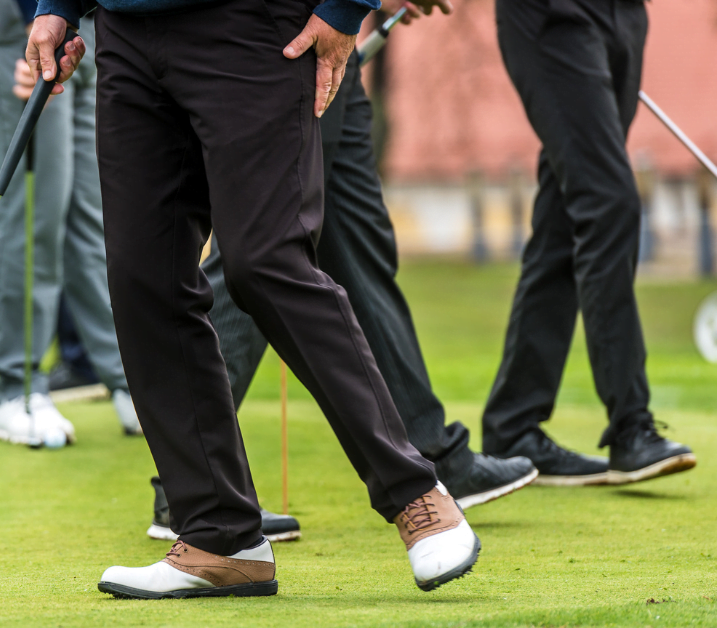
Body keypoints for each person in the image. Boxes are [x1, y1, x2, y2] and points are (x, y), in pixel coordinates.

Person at [30, 0, 475, 598]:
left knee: (265, 260)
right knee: (143, 279)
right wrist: (54, 7)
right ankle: (220, 535)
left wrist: (345, 7)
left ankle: (417, 493)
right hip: (127, 34)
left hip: (252, 24)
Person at [479, 0, 695, 485]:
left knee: (565, 216)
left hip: (624, 16)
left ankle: (514, 425)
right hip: (552, 15)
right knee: (608, 200)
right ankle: (631, 425)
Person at [0, 0, 141, 443]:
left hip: (80, 15)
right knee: (33, 210)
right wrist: (39, 15)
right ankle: (15, 391)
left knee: (91, 209)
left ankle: (132, 383)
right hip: (10, 16)